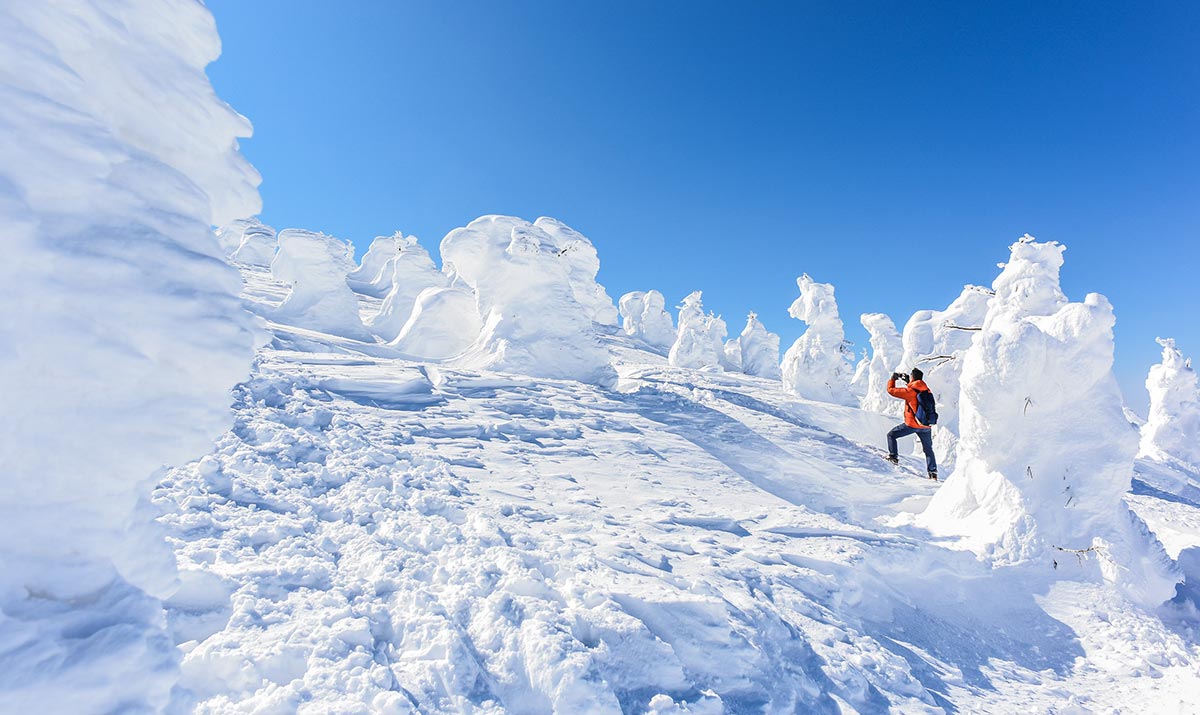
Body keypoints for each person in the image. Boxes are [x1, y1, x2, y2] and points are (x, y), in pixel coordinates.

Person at [884, 368, 938, 480]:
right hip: (926, 426)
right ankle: (933, 473)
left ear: (913, 377)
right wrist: (908, 382)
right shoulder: (927, 390)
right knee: (928, 450)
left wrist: (893, 379)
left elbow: (891, 390)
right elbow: (915, 393)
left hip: (912, 424)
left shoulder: (909, 392)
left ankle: (893, 457)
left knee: (891, 435)